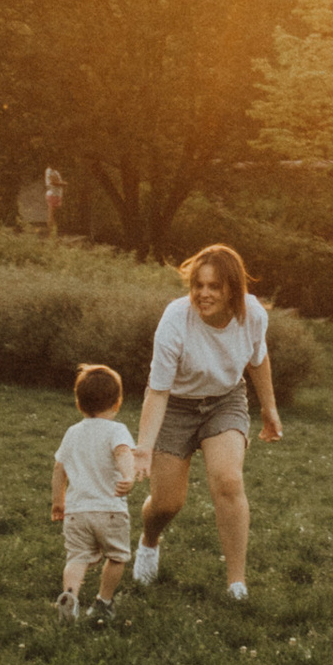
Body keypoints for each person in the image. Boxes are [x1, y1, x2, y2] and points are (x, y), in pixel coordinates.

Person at [131, 245, 282, 605]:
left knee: (228, 480)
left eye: (214, 286)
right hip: (176, 406)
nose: (204, 294)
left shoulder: (253, 315)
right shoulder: (175, 318)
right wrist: (143, 449)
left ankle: (236, 584)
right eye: (199, 285)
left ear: (233, 288)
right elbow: (158, 390)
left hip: (224, 400)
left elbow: (258, 360)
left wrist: (269, 409)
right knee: (167, 503)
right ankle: (149, 543)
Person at [51, 363, 139, 627]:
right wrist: (128, 476)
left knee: (77, 558)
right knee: (117, 556)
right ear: (117, 402)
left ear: (79, 402)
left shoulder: (72, 433)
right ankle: (104, 600)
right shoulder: (116, 430)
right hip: (110, 509)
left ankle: (70, 594)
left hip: (77, 512)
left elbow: (59, 469)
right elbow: (123, 453)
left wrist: (58, 502)